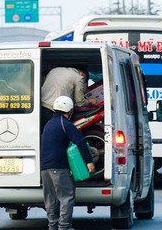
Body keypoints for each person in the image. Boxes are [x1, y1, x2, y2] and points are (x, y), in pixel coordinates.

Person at [40, 96, 95, 230]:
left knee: (51, 198)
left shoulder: (49, 124)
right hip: (58, 167)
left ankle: (52, 226)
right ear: (69, 111)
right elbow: (80, 142)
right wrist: (89, 161)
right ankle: (64, 226)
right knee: (67, 196)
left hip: (44, 169)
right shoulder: (65, 124)